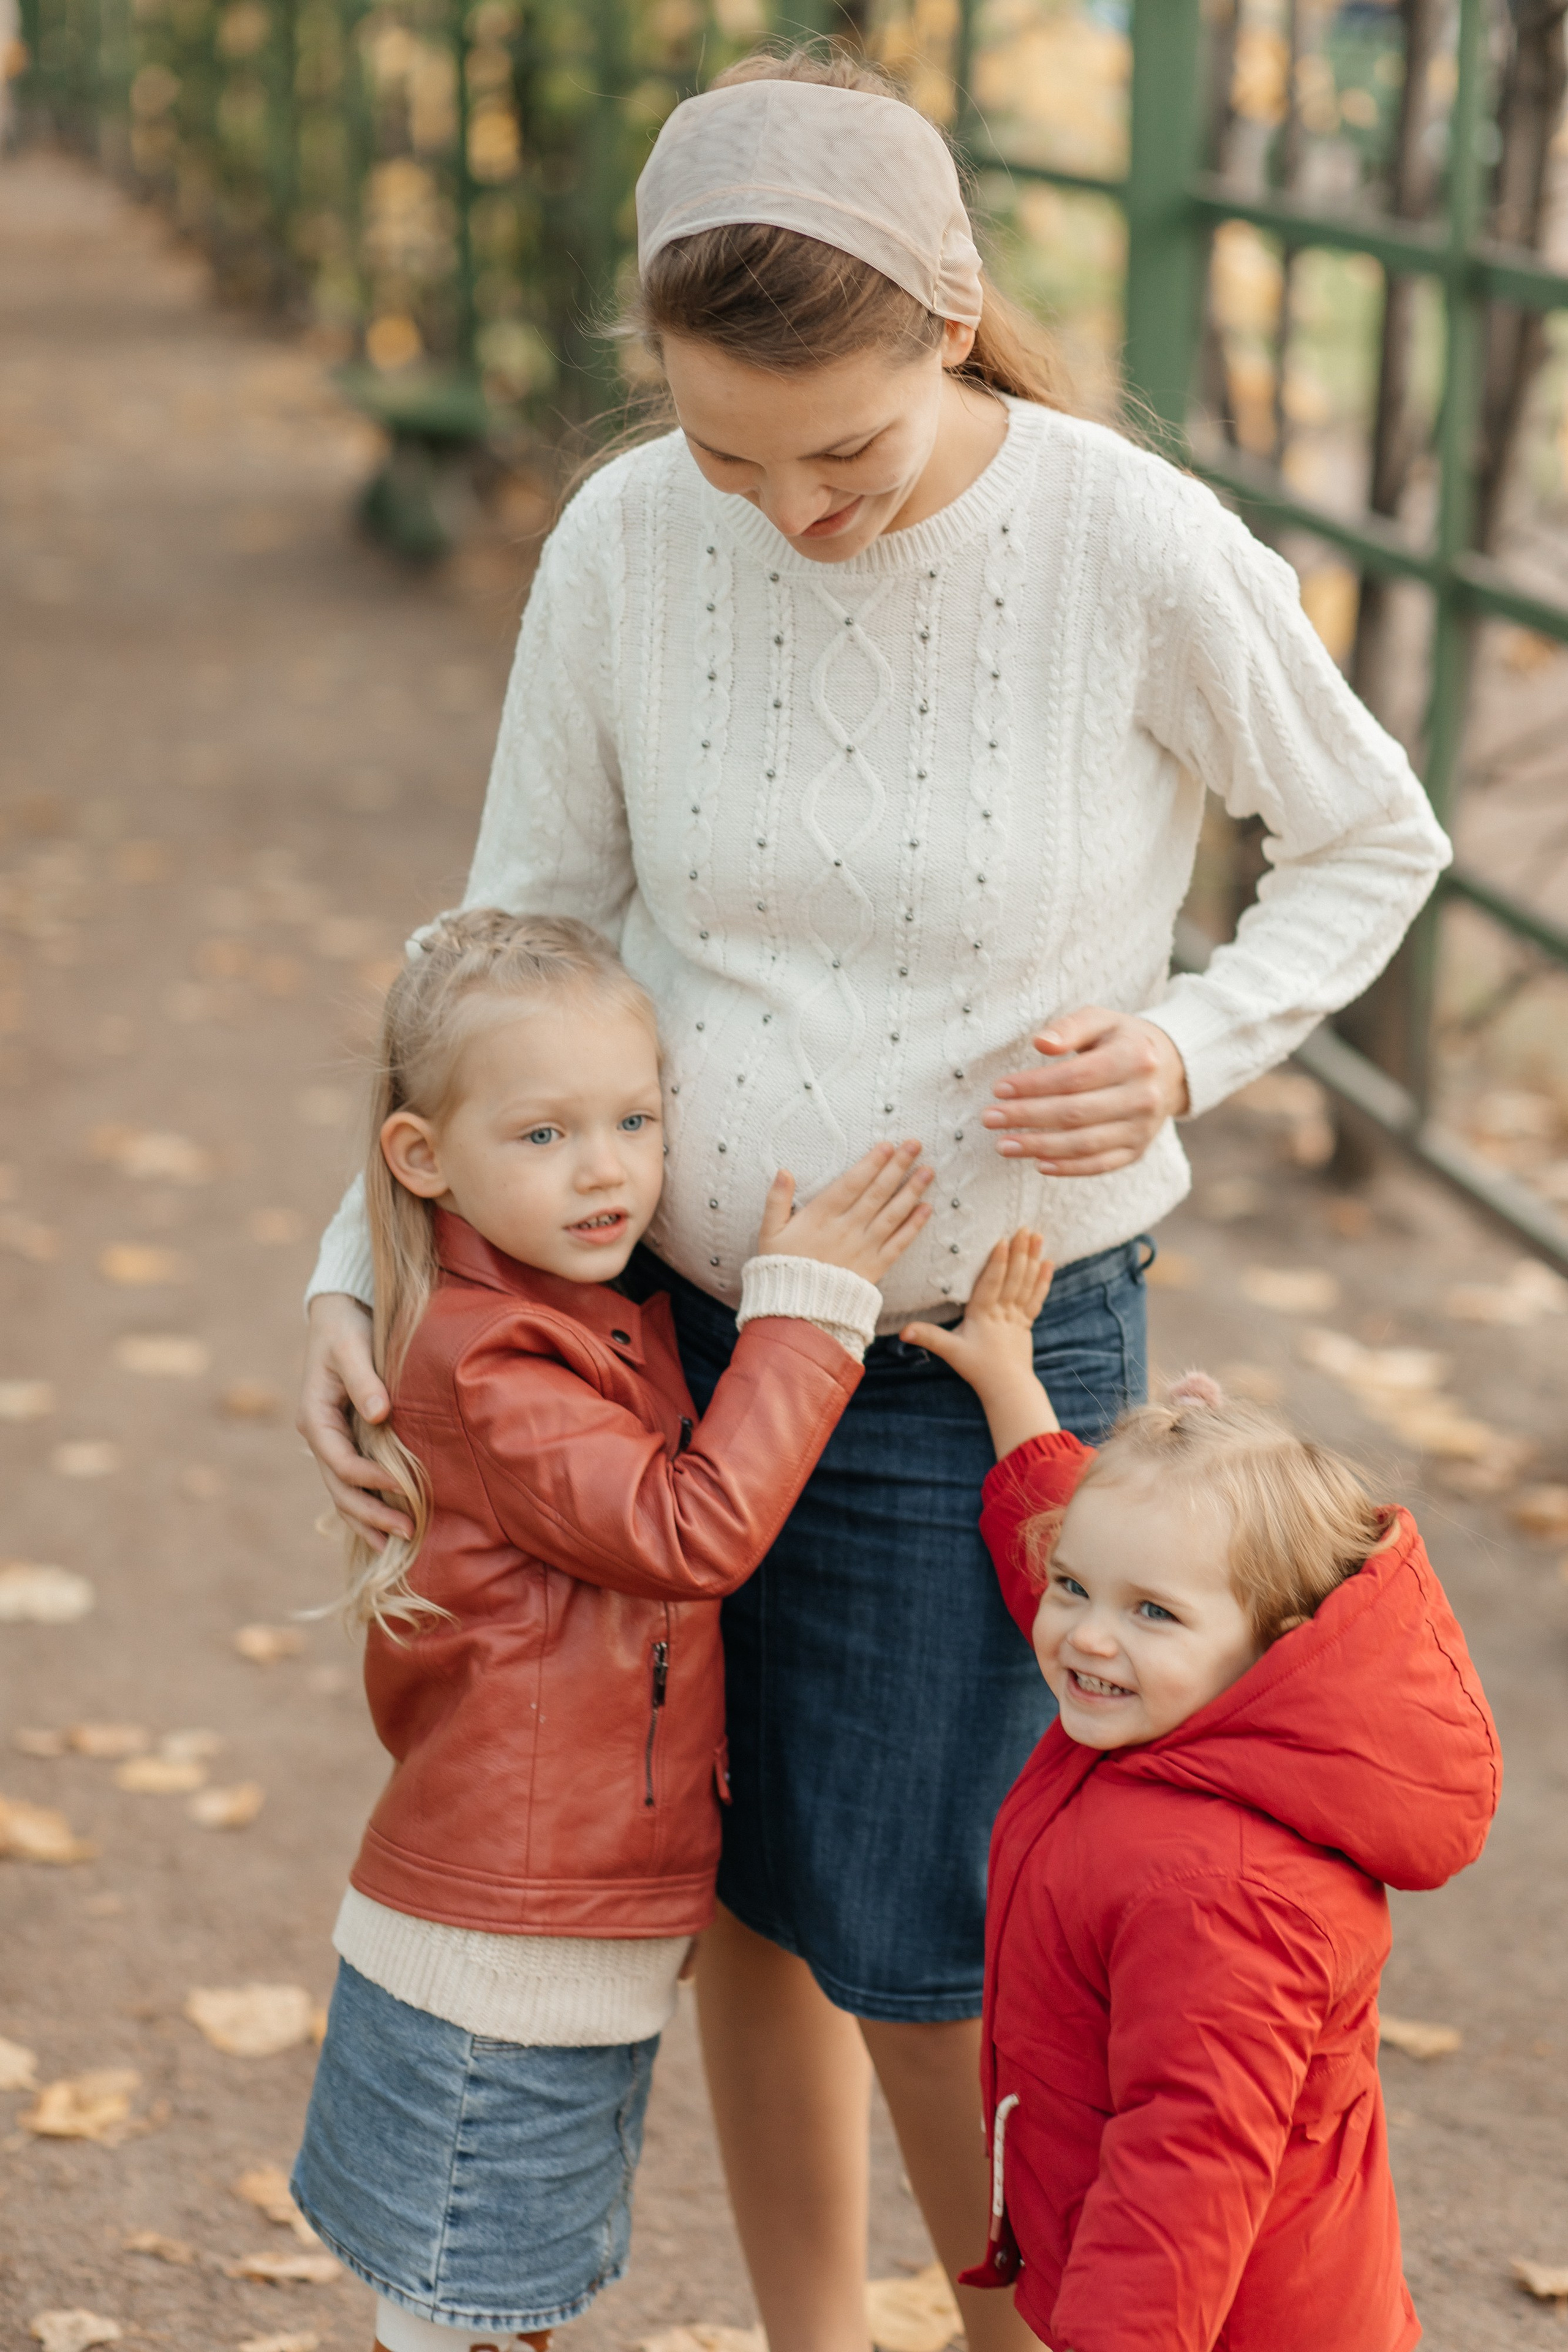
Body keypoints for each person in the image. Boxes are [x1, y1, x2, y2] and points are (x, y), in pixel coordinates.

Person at [297, 50, 1452, 2352]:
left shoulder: (1129, 542)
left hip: (970, 1353)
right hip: (670, 1334)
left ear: (951, 317)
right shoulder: (628, 540)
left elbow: (1371, 838)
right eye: (733, 455)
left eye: (844, 454)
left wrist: (1193, 1040)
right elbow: (523, 921)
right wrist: (367, 1257)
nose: (793, 512)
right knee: (742, 1883)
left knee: (942, 1936)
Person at [289, 909, 934, 2352]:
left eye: (635, 1121)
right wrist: (809, 1311)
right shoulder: (493, 1359)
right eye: (544, 1134)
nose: (604, 1169)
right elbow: (686, 1532)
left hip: (560, 1908)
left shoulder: (572, 1310)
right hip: (509, 1926)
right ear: (421, 1157)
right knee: (463, 2297)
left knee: (499, 2292)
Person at [903, 1232, 1500, 2352]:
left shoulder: (1221, 1895)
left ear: (1274, 1641)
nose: (1086, 1635)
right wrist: (1009, 1379)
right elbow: (1090, 1548)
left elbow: (1187, 2169)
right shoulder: (1180, 1705)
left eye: (1150, 1612)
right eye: (1073, 1587)